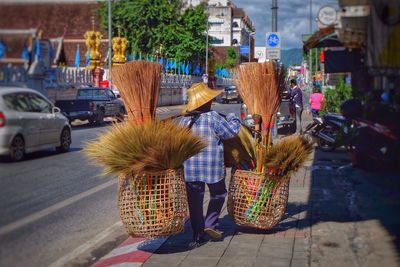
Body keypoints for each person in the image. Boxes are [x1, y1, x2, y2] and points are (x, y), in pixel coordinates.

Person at [180, 83, 241, 249]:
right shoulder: (213, 117)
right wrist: (234, 118)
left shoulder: (184, 121)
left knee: (194, 201)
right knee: (219, 194)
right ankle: (211, 223)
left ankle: (197, 235)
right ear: (206, 102)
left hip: (190, 169)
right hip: (212, 168)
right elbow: (231, 133)